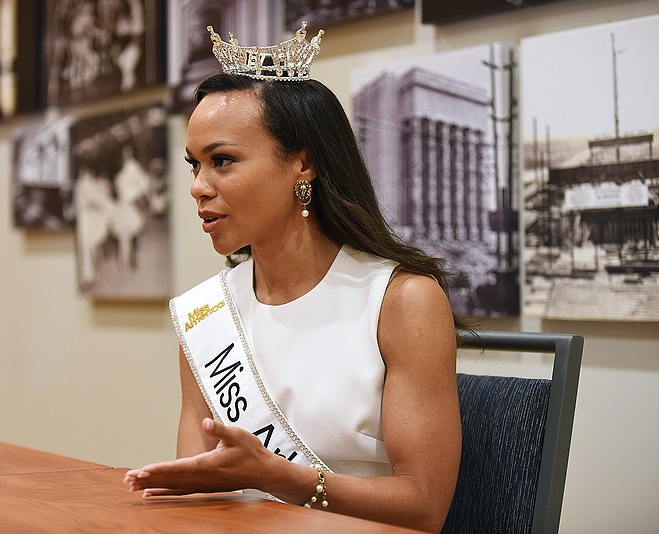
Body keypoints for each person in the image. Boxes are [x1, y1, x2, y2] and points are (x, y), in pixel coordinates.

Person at [124, 22, 463, 532]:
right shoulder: (207, 314)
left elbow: (423, 506)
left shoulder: (403, 299)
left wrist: (281, 477)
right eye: (194, 165)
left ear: (303, 163)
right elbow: (196, 496)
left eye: (222, 161)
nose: (198, 186)